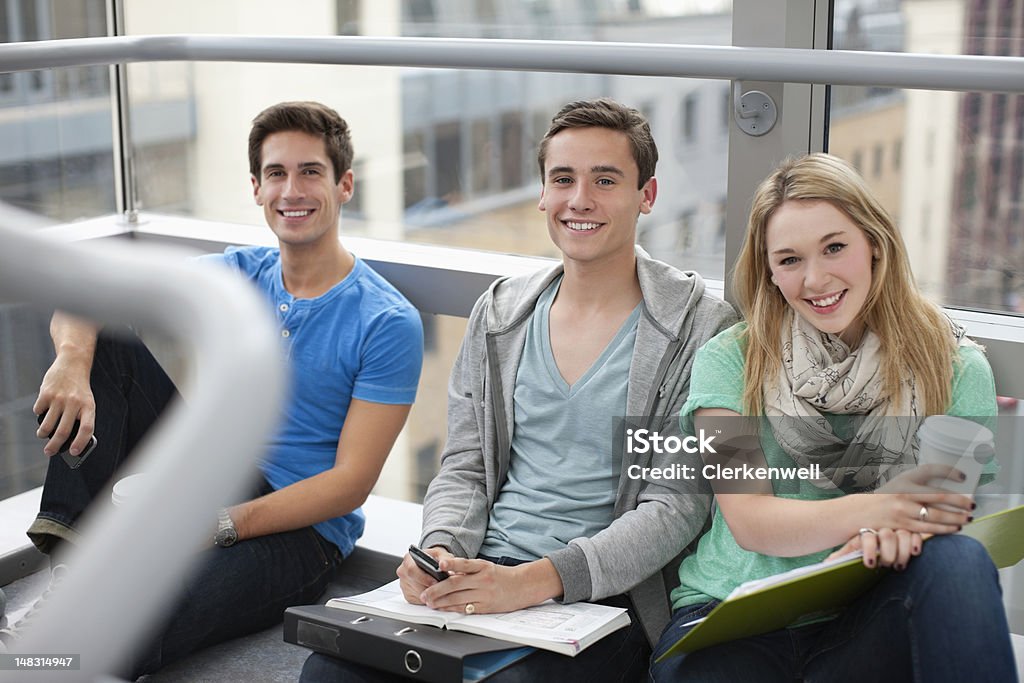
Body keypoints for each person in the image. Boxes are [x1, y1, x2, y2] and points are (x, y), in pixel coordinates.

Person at [300, 99, 736, 682]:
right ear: (543, 194)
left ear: (647, 196)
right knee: (328, 673)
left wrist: (531, 583)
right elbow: (465, 467)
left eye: (605, 180)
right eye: (563, 179)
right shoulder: (502, 312)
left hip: (601, 598)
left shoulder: (701, 325)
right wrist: (440, 551)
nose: (579, 199)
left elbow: (677, 506)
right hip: (484, 572)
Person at [7, 101, 424, 677]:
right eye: (276, 173)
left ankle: (48, 662)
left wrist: (220, 523)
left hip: (299, 532)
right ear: (256, 188)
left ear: (344, 184)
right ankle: (73, 580)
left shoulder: (386, 320)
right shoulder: (236, 274)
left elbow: (350, 485)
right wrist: (72, 363)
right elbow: (89, 293)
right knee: (110, 343)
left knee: (135, 619)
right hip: (209, 474)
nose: (292, 190)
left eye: (310, 172)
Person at [649, 153, 1015, 682]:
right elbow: (752, 521)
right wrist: (884, 509)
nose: (816, 279)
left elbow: (940, 513)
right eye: (790, 259)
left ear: (874, 244)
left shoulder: (956, 369)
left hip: (868, 614)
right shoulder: (728, 361)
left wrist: (898, 522)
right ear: (769, 272)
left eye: (835, 247)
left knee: (958, 562)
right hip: (732, 617)